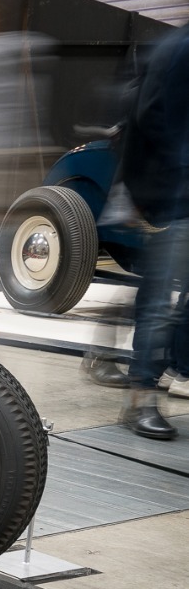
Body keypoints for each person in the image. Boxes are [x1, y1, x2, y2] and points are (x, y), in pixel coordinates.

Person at [117, 22, 189, 439]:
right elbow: (153, 118)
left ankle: (171, 372)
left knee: (168, 301)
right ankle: (140, 399)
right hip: (174, 196)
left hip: (175, 193)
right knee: (159, 300)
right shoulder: (180, 50)